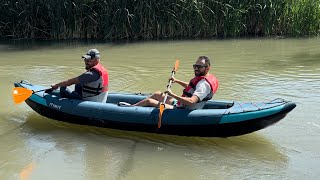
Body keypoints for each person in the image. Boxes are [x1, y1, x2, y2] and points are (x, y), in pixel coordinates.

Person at [133, 56, 218, 109]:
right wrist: (176, 81)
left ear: (207, 68)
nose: (196, 68)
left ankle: (131, 109)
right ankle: (136, 107)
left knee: (149, 101)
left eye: (199, 67)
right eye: (195, 66)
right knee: (157, 94)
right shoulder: (202, 80)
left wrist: (172, 94)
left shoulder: (204, 85)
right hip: (182, 104)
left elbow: (191, 101)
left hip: (184, 110)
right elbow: (191, 87)